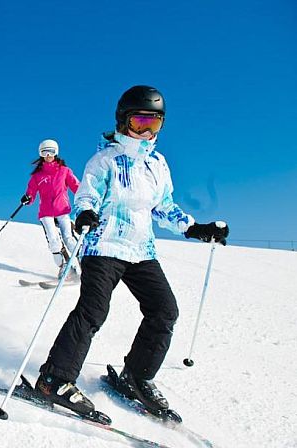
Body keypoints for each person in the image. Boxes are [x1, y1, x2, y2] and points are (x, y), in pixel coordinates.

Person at [31, 85, 229, 417]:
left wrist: (194, 228)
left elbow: (163, 206)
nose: (147, 131)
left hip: (141, 250)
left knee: (165, 311)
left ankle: (136, 376)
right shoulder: (104, 159)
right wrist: (84, 214)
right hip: (103, 246)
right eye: (140, 122)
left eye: (155, 124)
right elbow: (86, 196)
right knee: (93, 311)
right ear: (124, 122)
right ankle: (54, 379)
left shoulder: (158, 164)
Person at [21, 139, 80, 280]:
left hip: (62, 209)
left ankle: (86, 265)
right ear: (40, 154)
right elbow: (31, 192)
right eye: (44, 152)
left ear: (56, 153)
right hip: (46, 212)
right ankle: (65, 268)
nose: (48, 155)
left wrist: (88, 197)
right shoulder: (37, 176)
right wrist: (27, 198)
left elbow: (77, 187)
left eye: (51, 152)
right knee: (54, 241)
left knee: (69, 239)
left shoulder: (64, 171)